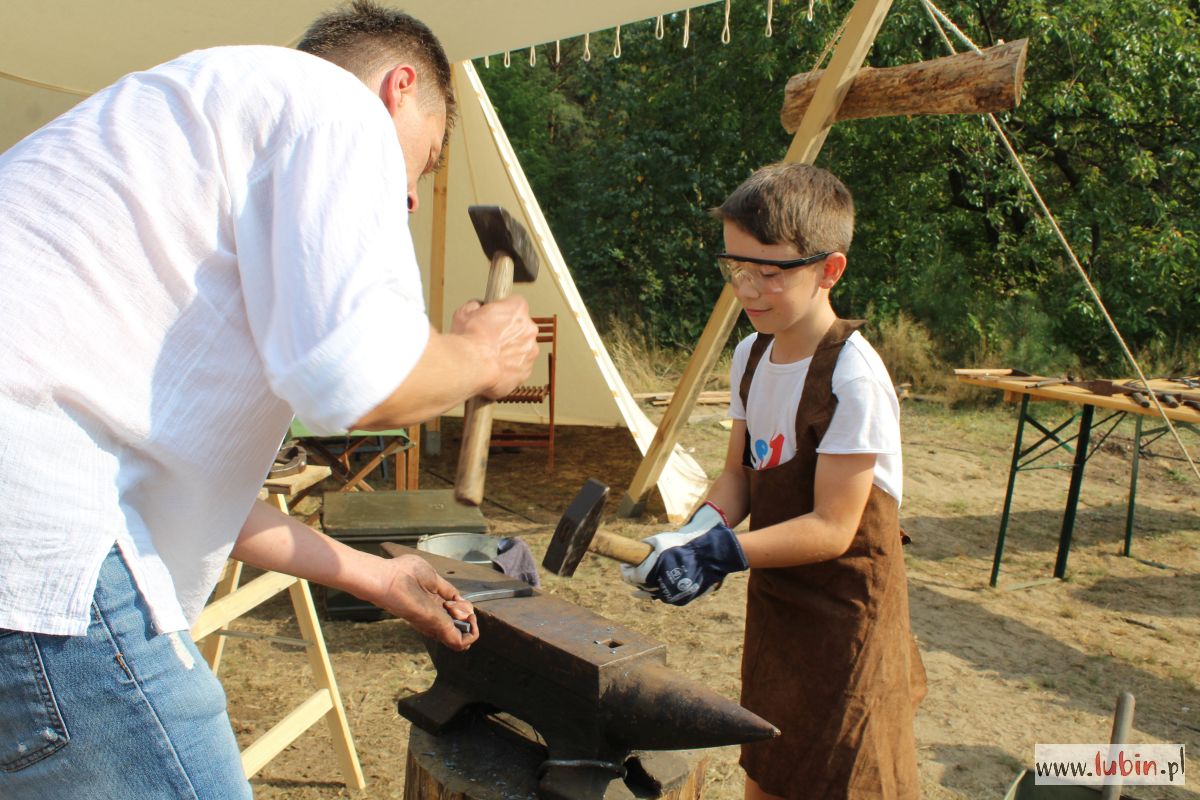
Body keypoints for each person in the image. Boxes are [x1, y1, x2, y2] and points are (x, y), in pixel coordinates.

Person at [0, 2, 539, 797]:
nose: (414, 199)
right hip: (39, 564)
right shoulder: (332, 107)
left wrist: (374, 577)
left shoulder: (181, 123)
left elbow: (194, 494)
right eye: (422, 162)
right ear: (398, 87)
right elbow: (356, 382)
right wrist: (480, 356)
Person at [622, 163, 927, 799]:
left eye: (773, 272)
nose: (750, 289)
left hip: (849, 623)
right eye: (737, 268)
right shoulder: (751, 355)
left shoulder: (854, 378)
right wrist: (692, 535)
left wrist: (721, 553)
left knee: (847, 779)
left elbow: (832, 526)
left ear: (829, 269)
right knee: (768, 772)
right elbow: (739, 475)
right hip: (779, 610)